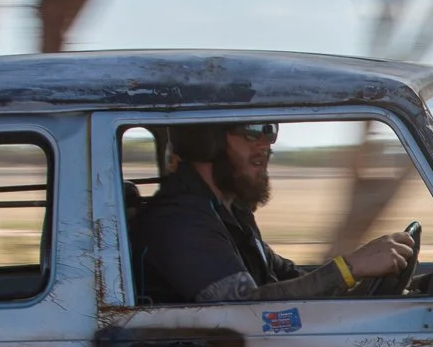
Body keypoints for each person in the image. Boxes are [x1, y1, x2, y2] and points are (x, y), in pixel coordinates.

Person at [133, 122, 416, 303]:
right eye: (253, 129)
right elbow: (243, 307)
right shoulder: (179, 221)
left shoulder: (228, 214)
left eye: (271, 129)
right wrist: (349, 268)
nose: (266, 144)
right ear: (209, 140)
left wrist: (365, 277)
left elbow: (284, 276)